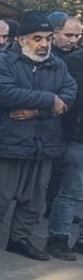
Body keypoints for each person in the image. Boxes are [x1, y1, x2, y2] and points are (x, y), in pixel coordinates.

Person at [0, 11, 77, 261]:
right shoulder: (1, 62)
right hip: (7, 141)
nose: (44, 44)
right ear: (21, 39)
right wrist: (50, 100)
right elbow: (8, 94)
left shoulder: (57, 63)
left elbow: (70, 92)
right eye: (37, 38)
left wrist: (37, 111)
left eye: (48, 38)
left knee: (34, 198)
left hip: (44, 142)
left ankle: (20, 239)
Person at [47, 38, 83, 259]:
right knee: (71, 190)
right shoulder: (75, 62)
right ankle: (58, 238)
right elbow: (75, 99)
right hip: (77, 136)